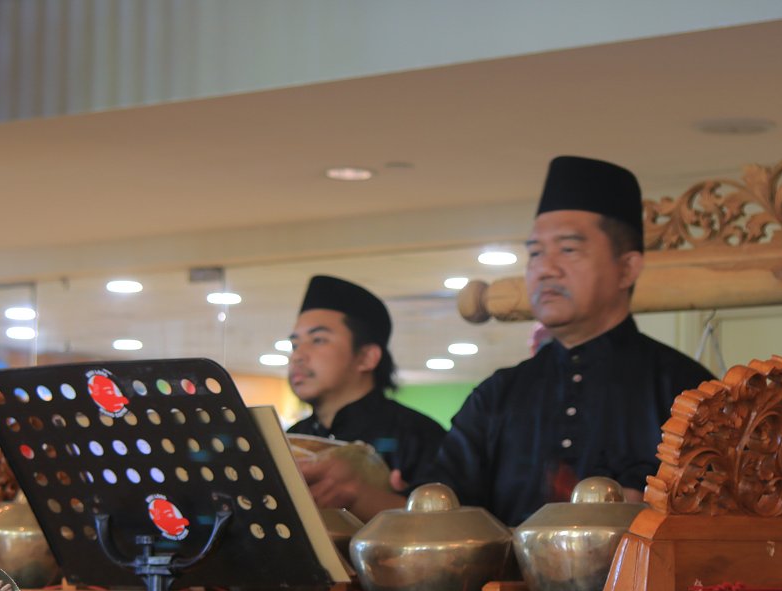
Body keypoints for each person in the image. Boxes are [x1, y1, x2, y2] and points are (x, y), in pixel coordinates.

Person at [303, 156, 713, 526]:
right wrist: (355, 491)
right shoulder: (498, 395)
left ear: (627, 268)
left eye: (568, 250)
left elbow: (721, 527)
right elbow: (440, 515)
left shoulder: (687, 390)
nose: (545, 269)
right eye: (535, 253)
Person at [287, 275, 445, 504]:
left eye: (318, 340)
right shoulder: (291, 439)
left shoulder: (417, 435)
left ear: (367, 357)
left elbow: (442, 526)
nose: (297, 356)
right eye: (294, 344)